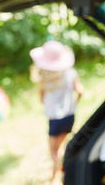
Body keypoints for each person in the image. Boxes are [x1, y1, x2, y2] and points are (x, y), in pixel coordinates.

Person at [30, 40, 84, 184]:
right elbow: (80, 91)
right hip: (70, 116)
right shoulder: (71, 73)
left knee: (54, 152)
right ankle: (61, 172)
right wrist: (74, 103)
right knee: (63, 145)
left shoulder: (44, 80)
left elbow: (42, 99)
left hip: (54, 119)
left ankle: (57, 177)